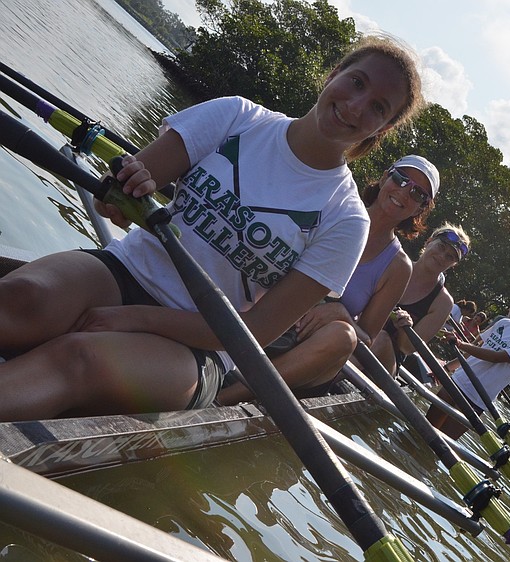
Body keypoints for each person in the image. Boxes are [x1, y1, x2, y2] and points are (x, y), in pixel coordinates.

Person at [0, 35, 424, 421]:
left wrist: (134, 318)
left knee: (80, 358)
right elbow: (113, 201)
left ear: (383, 129)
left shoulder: (347, 220)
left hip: (203, 347)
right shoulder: (236, 116)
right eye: (356, 83)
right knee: (23, 297)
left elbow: (253, 332)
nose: (356, 106)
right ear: (334, 74)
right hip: (124, 270)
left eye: (378, 108)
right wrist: (123, 191)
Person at [217, 154, 439, 404]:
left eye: (418, 194)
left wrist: (341, 313)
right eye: (400, 179)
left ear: (421, 209)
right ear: (385, 176)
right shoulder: (337, 206)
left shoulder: (398, 266)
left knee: (344, 336)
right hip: (266, 315)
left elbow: (366, 340)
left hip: (308, 355)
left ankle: (226, 398)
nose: (404, 192)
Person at [426, 292, 510, 439]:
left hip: (476, 399)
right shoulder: (504, 323)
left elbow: (496, 358)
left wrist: (459, 344)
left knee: (441, 444)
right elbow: (475, 349)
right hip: (457, 381)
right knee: (423, 431)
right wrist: (446, 368)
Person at [371, 223, 471, 376]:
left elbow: (407, 348)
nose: (442, 257)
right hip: (359, 332)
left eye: (450, 257)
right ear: (429, 242)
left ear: (453, 265)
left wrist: (405, 327)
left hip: (386, 359)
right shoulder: (396, 263)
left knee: (381, 338)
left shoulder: (443, 302)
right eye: (441, 247)